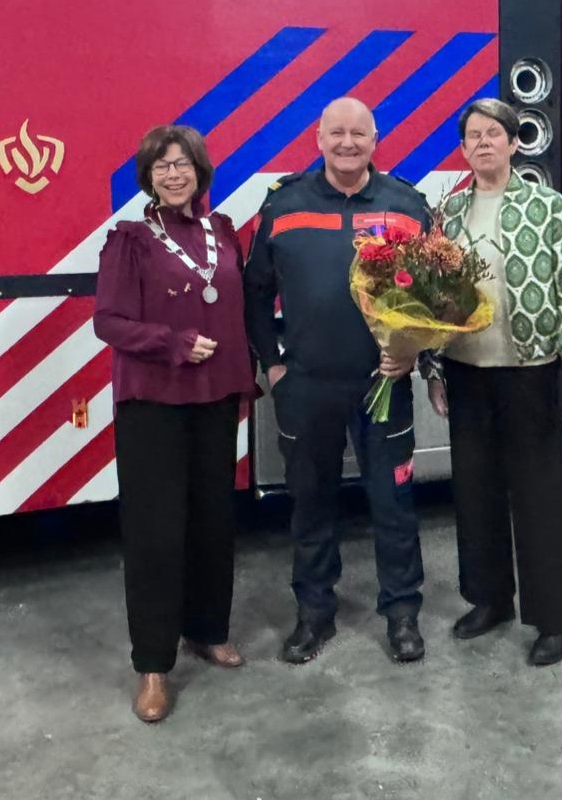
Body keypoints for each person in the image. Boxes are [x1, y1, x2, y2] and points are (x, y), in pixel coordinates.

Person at [243, 97, 432, 665]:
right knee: (311, 503)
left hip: (383, 385)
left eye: (358, 133)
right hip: (307, 387)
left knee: (393, 502)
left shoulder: (407, 205)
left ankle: (402, 613)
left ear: (375, 140)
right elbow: (254, 293)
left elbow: (434, 294)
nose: (347, 143)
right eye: (337, 133)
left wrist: (414, 351)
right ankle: (314, 614)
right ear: (319, 139)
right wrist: (273, 365)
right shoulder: (284, 205)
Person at [424, 98, 562, 666]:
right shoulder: (449, 214)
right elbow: (431, 298)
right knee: (474, 493)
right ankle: (490, 599)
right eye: (473, 135)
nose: (483, 143)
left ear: (514, 143)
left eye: (493, 133)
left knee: (538, 495)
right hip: (466, 371)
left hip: (531, 371)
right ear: (463, 148)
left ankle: (555, 619)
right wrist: (433, 368)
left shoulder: (547, 207)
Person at [94, 125, 251, 723]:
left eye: (183, 164)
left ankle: (207, 631)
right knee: (155, 532)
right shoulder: (130, 240)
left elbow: (238, 308)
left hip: (216, 398)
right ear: (149, 177)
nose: (173, 174)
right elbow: (108, 322)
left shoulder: (223, 232)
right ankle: (154, 664)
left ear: (200, 171)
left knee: (213, 519)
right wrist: (173, 342)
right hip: (154, 400)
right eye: (162, 166)